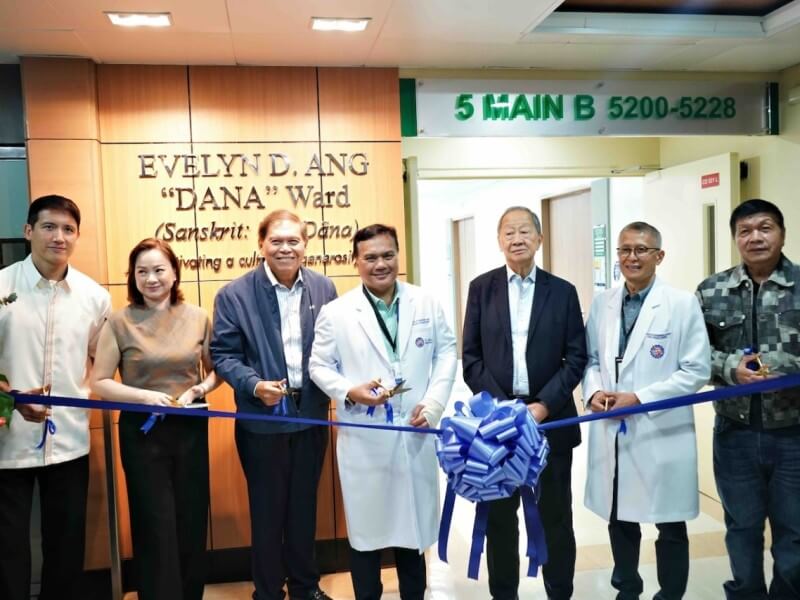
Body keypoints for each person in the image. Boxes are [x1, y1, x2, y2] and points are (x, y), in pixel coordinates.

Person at [309, 223, 456, 600]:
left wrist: (435, 402)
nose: (380, 264)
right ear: (355, 261)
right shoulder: (336, 312)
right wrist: (349, 392)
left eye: (387, 255)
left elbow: (446, 352)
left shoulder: (425, 302)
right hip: (364, 437)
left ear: (398, 257)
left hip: (416, 429)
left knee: (413, 531)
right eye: (370, 257)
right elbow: (319, 366)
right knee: (367, 536)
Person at [462, 206, 586, 600]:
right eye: (509, 232)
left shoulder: (562, 291)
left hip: (549, 423)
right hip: (497, 428)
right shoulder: (481, 289)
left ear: (539, 239)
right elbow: (471, 358)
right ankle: (504, 594)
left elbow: (576, 357)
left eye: (525, 231)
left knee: (555, 519)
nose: (517, 239)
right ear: (499, 241)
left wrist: (544, 406)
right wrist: (504, 412)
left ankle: (559, 592)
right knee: (499, 520)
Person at [211, 209, 337, 600]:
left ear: (305, 245)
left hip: (312, 418)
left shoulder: (323, 288)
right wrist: (254, 385)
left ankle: (305, 587)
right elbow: (224, 354)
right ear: (261, 244)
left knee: (304, 509)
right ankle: (267, 592)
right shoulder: (234, 294)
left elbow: (334, 348)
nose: (285, 248)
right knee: (267, 514)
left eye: (293, 241)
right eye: (276, 241)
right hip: (262, 421)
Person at [582, 222, 711, 600]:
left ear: (659, 256)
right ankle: (627, 588)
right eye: (624, 250)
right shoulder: (603, 302)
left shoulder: (681, 303)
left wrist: (640, 398)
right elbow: (589, 359)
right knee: (620, 516)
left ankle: (670, 593)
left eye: (641, 250)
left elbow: (696, 370)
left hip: (661, 430)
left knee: (669, 523)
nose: (631, 257)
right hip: (612, 427)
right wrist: (592, 394)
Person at [91, 238, 219, 600]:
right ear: (132, 277)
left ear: (175, 273)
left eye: (159, 270)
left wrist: (198, 391)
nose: (151, 278)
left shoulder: (197, 317)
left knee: (192, 517)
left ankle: (190, 593)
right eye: (142, 271)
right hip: (142, 431)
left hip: (191, 425)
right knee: (154, 521)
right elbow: (100, 383)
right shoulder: (119, 322)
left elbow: (214, 373)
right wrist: (145, 396)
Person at [0, 195, 111, 600]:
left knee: (66, 547)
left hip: (68, 442)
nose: (58, 237)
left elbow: (102, 366)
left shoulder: (94, 297)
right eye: (49, 227)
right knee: (8, 548)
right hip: (5, 442)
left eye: (68, 229)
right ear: (28, 231)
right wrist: (10, 398)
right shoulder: (1, 286)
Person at [696, 199, 800, 599]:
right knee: (741, 528)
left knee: (793, 533)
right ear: (736, 238)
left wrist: (775, 364)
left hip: (793, 433)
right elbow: (691, 357)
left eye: (765, 227)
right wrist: (730, 368)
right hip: (735, 433)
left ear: (782, 233)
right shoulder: (712, 290)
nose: (755, 236)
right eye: (745, 230)